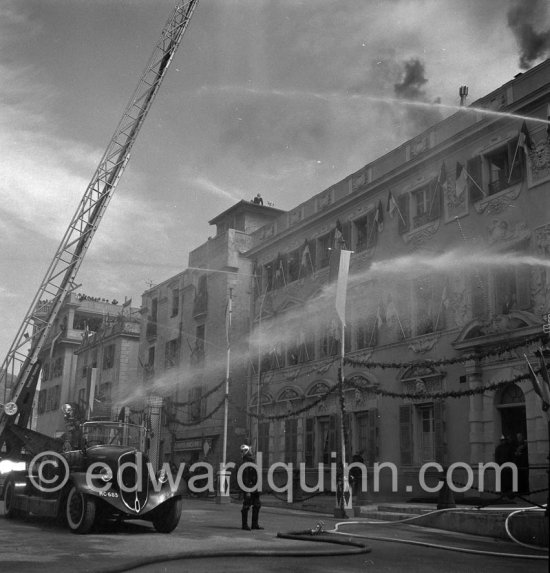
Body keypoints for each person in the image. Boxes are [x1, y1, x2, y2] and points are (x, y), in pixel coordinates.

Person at [239, 444, 263, 530]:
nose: (242, 452)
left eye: (244, 451)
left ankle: (254, 524)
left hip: (255, 487)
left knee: (257, 505)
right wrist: (247, 490)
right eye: (242, 451)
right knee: (246, 506)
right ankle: (244, 525)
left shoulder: (252, 461)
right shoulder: (246, 462)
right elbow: (245, 477)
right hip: (249, 487)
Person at [494, 435, 515, 499]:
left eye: (504, 440)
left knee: (509, 481)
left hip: (508, 467)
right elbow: (497, 458)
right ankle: (503, 494)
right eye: (502, 440)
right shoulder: (498, 448)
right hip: (502, 467)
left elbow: (512, 457)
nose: (503, 442)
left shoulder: (509, 447)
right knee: (503, 482)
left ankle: (509, 495)